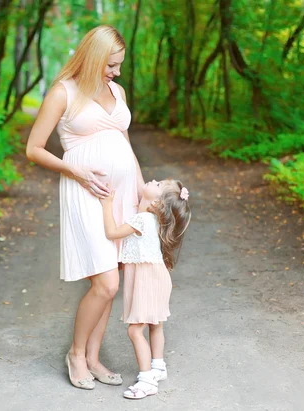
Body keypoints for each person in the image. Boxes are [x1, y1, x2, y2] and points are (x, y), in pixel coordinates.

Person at [25, 25, 145, 390]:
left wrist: (142, 192)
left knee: (115, 275)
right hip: (85, 191)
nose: (117, 72)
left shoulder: (116, 90)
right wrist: (74, 169)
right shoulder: (64, 93)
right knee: (106, 283)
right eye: (111, 64)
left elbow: (126, 145)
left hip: (122, 195)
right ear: (94, 59)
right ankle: (76, 353)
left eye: (120, 65)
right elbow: (34, 149)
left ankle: (93, 357)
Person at [99, 178, 191, 399]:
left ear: (157, 204)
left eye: (158, 185)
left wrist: (106, 204)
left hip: (147, 280)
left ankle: (147, 380)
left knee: (135, 330)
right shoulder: (155, 220)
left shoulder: (141, 220)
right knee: (155, 325)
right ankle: (158, 367)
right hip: (158, 278)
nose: (153, 180)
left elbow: (112, 233)